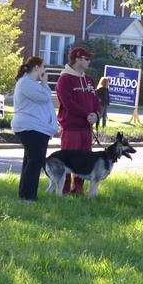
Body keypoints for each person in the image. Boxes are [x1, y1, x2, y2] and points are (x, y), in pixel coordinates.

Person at [55, 47, 102, 195]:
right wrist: (86, 114)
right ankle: (65, 189)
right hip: (71, 127)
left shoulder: (88, 80)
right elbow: (68, 103)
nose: (89, 61)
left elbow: (96, 100)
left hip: (86, 128)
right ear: (77, 59)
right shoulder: (64, 79)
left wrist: (96, 114)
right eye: (87, 59)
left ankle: (79, 188)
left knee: (85, 159)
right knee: (68, 159)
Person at [11, 55, 57, 201]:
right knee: (36, 160)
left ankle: (26, 195)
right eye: (44, 67)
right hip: (30, 126)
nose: (45, 71)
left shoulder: (30, 83)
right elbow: (44, 98)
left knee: (31, 160)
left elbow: (44, 103)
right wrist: (45, 83)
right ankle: (27, 196)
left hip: (37, 127)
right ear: (36, 67)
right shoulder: (26, 82)